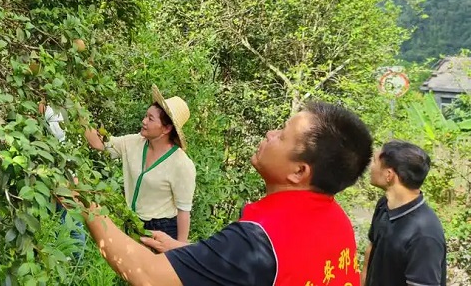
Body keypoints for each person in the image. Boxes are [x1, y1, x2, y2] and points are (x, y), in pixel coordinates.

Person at [82, 101, 373, 286]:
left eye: (282, 134)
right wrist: (185, 251)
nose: (270, 134)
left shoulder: (258, 239)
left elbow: (147, 273)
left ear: (299, 171)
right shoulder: (338, 221)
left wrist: (87, 207)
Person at [84, 85, 196, 242]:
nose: (144, 121)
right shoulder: (134, 142)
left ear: (166, 129)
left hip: (162, 229)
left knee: (156, 267)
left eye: (150, 119)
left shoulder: (181, 164)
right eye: (146, 116)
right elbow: (100, 144)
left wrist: (180, 247)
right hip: (133, 223)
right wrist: (78, 114)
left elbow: (184, 210)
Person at [361, 140, 447, 286]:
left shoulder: (424, 235)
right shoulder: (384, 205)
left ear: (389, 174)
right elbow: (372, 247)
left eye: (375, 161)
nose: (371, 167)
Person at [38, 100, 86, 261]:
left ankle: (78, 262)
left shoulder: (53, 116)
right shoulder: (57, 112)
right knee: (59, 217)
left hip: (64, 176)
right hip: (56, 176)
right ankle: (63, 257)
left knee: (71, 218)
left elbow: (65, 145)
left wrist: (70, 178)